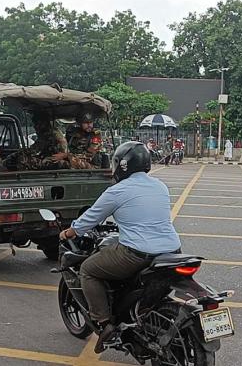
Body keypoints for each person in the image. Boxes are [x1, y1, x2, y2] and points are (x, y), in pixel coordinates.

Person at [59, 141, 181, 353]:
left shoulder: (117, 191)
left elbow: (90, 219)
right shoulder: (160, 186)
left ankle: (105, 324)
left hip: (137, 254)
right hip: (172, 251)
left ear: (121, 165)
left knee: (88, 269)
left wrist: (68, 232)